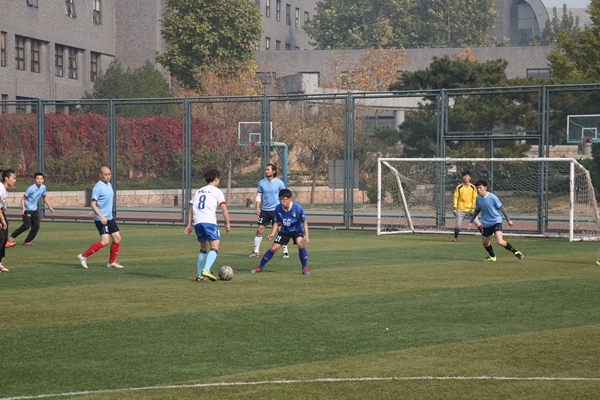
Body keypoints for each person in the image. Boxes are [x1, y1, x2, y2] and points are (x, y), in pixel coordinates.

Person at [185, 168, 231, 282]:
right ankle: (206, 269)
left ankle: (199, 274)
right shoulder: (217, 191)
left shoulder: (199, 191)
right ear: (216, 179)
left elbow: (191, 207)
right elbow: (224, 209)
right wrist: (227, 223)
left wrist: (189, 224)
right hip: (209, 222)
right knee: (215, 247)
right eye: (219, 179)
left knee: (203, 248)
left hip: (198, 223)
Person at [251, 188, 310, 275]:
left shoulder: (298, 208)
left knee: (300, 244)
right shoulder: (278, 208)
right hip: (284, 231)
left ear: (289, 199)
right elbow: (276, 222)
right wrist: (272, 233)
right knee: (274, 248)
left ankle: (304, 268)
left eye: (284, 199)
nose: (282, 201)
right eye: (280, 199)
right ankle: (260, 266)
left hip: (296, 230)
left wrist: (306, 235)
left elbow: (304, 222)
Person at [77, 166, 123, 269]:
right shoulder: (97, 187)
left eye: (109, 174)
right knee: (105, 241)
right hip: (101, 219)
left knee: (117, 238)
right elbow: (93, 204)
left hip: (109, 218)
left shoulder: (109, 185)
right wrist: (101, 216)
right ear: (100, 175)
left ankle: (111, 262)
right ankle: (83, 256)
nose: (108, 176)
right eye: (106, 175)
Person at [467, 180, 524, 262]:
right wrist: (470, 222)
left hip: (496, 221)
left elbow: (501, 208)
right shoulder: (478, 198)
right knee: (485, 242)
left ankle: (516, 252)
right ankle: (492, 257)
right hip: (486, 223)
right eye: (477, 188)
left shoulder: (492, 197)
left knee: (500, 241)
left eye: (480, 188)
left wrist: (508, 219)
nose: (478, 190)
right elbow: (477, 210)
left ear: (485, 187)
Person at [249, 163, 289, 258]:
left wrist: (285, 208)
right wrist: (257, 207)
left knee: (280, 229)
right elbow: (259, 196)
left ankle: (285, 251)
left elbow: (284, 196)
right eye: (265, 170)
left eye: (268, 170)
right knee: (260, 229)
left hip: (277, 210)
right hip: (265, 211)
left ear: (273, 171)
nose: (266, 171)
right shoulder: (262, 182)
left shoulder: (279, 183)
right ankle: (256, 252)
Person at [6, 172, 55, 247]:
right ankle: (12, 236)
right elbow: (23, 198)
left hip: (35, 210)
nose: (39, 180)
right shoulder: (31, 189)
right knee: (26, 226)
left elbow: (44, 197)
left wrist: (50, 207)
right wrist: (23, 208)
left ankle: (27, 241)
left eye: (41, 179)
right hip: (27, 209)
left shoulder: (43, 187)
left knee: (36, 226)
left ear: (43, 180)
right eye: (38, 178)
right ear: (35, 180)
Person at [452, 170, 483, 242]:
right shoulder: (459, 187)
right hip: (460, 209)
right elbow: (455, 197)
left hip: (470, 209)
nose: (466, 177)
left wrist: (473, 207)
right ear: (462, 177)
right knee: (457, 225)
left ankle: (485, 236)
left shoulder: (473, 187)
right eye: (464, 176)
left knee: (477, 223)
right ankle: (455, 237)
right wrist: (454, 208)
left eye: (467, 176)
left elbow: (474, 198)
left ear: (470, 178)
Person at [0, 169, 17, 273]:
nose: (15, 180)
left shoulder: (5, 190)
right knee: (1, 238)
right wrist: (2, 220)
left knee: (3, 237)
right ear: (6, 178)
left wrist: (4, 205)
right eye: (13, 178)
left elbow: (2, 200)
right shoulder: (1, 188)